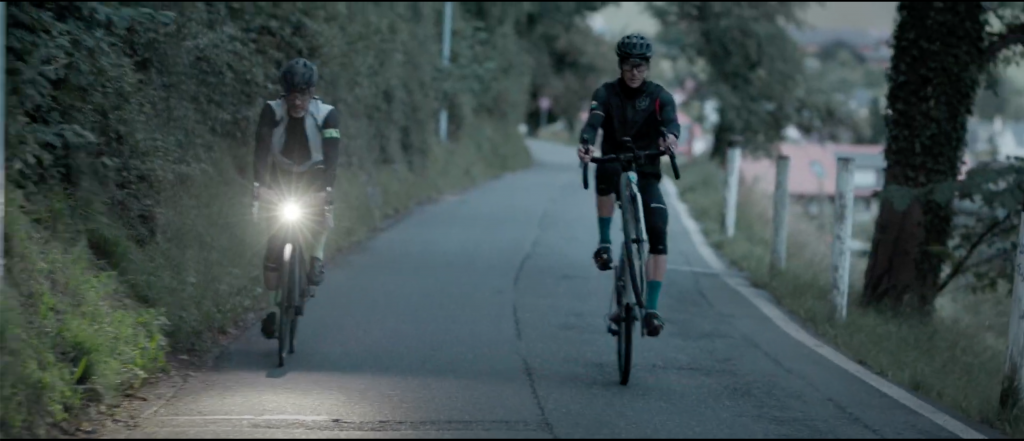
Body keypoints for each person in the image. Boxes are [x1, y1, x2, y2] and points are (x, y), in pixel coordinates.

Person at [577, 33, 680, 338]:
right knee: (606, 169)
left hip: (646, 169)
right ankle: (605, 243)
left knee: (659, 227)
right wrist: (585, 143)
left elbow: (672, 123)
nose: (634, 72)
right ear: (620, 65)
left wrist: (670, 138)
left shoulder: (660, 96)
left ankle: (651, 310)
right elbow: (592, 123)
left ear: (647, 67)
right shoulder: (606, 93)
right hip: (613, 160)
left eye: (640, 66)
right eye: (628, 65)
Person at [252, 58, 341, 340]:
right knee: (272, 259)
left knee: (321, 214)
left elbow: (332, 158)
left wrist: (325, 191)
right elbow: (262, 151)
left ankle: (316, 256)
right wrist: (260, 186)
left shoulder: (327, 115)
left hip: (314, 175)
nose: (297, 102)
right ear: (284, 93)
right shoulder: (271, 111)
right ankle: (272, 309)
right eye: (291, 94)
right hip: (281, 176)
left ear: (311, 92)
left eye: (302, 95)